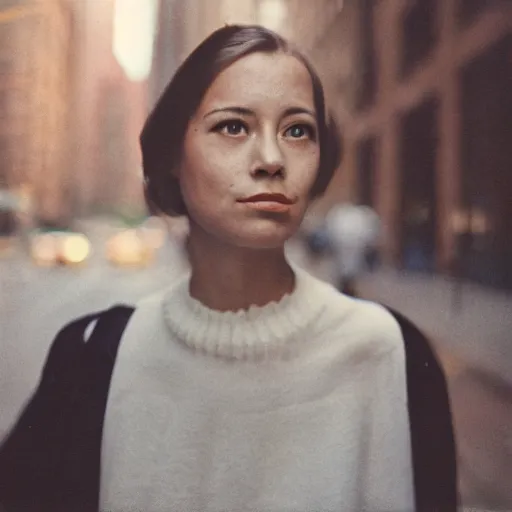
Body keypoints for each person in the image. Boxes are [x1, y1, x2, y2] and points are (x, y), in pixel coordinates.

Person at [0, 25, 457, 512]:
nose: (271, 159)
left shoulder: (392, 355)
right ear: (174, 156)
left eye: (297, 130)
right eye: (233, 127)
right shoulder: (91, 360)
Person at [325, 201, 381, 296]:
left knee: (350, 267)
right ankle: (346, 287)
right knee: (347, 267)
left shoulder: (354, 215)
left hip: (350, 246)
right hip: (348, 246)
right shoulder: (354, 215)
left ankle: (347, 287)